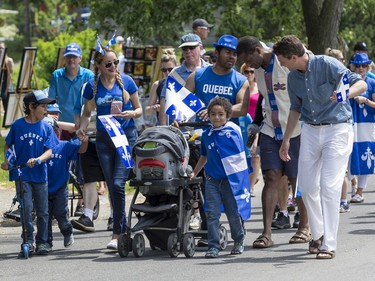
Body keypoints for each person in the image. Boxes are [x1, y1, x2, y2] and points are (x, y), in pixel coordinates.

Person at [275, 35, 367, 259]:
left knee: (329, 186)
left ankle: (329, 244)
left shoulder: (326, 63)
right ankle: (318, 234)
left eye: (282, 61)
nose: (281, 65)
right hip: (310, 130)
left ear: (294, 57)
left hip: (338, 129)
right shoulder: (292, 78)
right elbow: (296, 108)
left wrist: (344, 93)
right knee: (306, 188)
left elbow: (361, 83)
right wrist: (287, 139)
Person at [237, 36, 309, 248]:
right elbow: (262, 97)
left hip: (295, 129)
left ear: (258, 50)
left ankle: (304, 227)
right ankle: (266, 233)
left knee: (296, 179)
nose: (248, 65)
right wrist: (257, 124)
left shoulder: (284, 60)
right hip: (270, 129)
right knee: (271, 177)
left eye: (249, 59)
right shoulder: (259, 71)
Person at [77, 43, 142, 250]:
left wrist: (130, 113)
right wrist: (82, 129)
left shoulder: (127, 82)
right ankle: (121, 230)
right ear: (98, 65)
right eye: (108, 64)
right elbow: (87, 114)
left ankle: (118, 231)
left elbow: (139, 109)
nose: (113, 66)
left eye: (115, 63)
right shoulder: (91, 86)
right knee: (112, 184)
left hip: (125, 137)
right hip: (104, 140)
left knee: (117, 184)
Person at [185, 34, 249, 231]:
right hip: (201, 140)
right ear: (218, 52)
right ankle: (207, 227)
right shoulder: (198, 75)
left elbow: (243, 107)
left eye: (235, 54)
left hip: (228, 143)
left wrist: (215, 111)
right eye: (228, 53)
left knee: (232, 185)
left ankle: (238, 227)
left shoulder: (240, 80)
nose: (232, 57)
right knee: (205, 183)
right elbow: (183, 100)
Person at [1, 90, 59, 257]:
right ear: (32, 107)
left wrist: (38, 159)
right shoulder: (18, 126)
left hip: (40, 175)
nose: (46, 111)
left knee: (43, 210)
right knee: (26, 208)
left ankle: (42, 242)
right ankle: (27, 241)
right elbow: (8, 146)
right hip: (21, 174)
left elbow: (49, 150)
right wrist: (7, 161)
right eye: (43, 106)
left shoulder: (46, 127)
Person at [190, 97, 246, 258]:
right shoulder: (207, 135)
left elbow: (239, 158)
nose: (216, 117)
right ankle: (213, 245)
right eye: (213, 114)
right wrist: (194, 172)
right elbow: (203, 156)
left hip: (229, 181)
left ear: (227, 116)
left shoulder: (232, 133)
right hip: (212, 180)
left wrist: (241, 180)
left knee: (232, 213)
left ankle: (238, 239)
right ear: (208, 115)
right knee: (212, 213)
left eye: (220, 114)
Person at [44, 104, 88, 250]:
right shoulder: (38, 148)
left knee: (61, 215)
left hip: (60, 187)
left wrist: (84, 139)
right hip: (42, 188)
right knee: (45, 217)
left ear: (57, 132)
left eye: (53, 130)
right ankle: (46, 242)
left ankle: (67, 232)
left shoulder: (64, 146)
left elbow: (80, 147)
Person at [159, 33, 210, 125]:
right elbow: (164, 102)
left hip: (206, 125)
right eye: (184, 48)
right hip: (180, 126)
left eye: (192, 48)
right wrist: (164, 129)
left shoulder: (211, 71)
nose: (188, 51)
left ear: (201, 48)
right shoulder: (174, 74)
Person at [325, 47, 351, 213]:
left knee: (341, 169)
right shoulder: (325, 78)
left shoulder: (345, 76)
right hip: (325, 127)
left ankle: (343, 200)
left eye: (343, 59)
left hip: (343, 126)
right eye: (340, 60)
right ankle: (330, 201)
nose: (343, 62)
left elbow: (356, 88)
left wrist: (343, 94)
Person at [347, 53, 375, 204]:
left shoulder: (372, 82)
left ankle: (360, 192)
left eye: (364, 65)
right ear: (353, 67)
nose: (361, 69)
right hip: (350, 122)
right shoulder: (348, 81)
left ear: (368, 66)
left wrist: (366, 100)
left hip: (367, 123)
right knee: (349, 155)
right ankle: (353, 183)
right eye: (357, 66)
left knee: (366, 154)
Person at [49, 42, 94, 128]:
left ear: (80, 58)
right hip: (62, 124)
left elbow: (92, 103)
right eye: (69, 56)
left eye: (74, 57)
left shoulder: (89, 76)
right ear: (65, 58)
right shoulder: (57, 75)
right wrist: (50, 115)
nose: (71, 59)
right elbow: (51, 100)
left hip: (83, 125)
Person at [240, 63, 261, 195]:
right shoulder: (241, 87)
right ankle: (245, 182)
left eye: (252, 71)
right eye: (246, 72)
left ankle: (251, 186)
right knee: (243, 155)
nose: (249, 74)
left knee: (255, 154)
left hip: (254, 125)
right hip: (242, 124)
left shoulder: (259, 88)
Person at [146, 48, 178, 123]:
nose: (167, 72)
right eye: (164, 70)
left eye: (170, 69)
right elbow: (147, 111)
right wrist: (154, 108)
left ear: (177, 67)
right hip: (163, 125)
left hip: (181, 125)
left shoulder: (184, 82)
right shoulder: (157, 85)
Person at [0, 42, 14, 115]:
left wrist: (6, 89)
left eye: (2, 48)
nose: (0, 50)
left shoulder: (8, 61)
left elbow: (9, 76)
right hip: (1, 83)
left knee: (7, 102)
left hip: (6, 83)